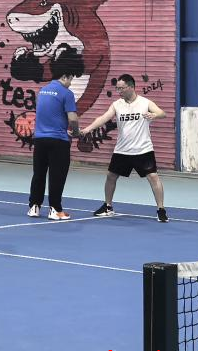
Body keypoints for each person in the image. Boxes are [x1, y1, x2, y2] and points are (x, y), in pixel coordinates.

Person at [77, 74, 169, 222]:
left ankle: (161, 210)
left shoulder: (145, 102)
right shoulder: (117, 104)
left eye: (121, 88)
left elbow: (162, 113)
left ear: (131, 87)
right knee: (111, 176)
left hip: (143, 149)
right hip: (122, 150)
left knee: (153, 177)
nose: (119, 91)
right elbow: (103, 118)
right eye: (117, 88)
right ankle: (108, 206)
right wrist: (87, 129)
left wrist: (154, 115)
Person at [26, 49, 83, 220]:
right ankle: (55, 209)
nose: (71, 83)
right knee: (57, 176)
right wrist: (76, 132)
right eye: (71, 79)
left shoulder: (43, 91)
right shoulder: (66, 93)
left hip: (40, 140)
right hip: (58, 141)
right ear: (65, 76)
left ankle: (34, 207)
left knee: (39, 174)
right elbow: (72, 118)